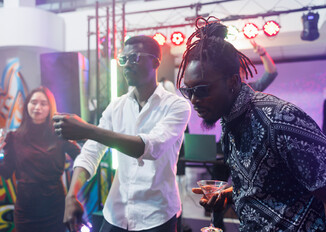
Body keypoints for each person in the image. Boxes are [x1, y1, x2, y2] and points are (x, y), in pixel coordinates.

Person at [176, 17, 326, 231]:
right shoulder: (230, 121)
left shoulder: (280, 119)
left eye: (202, 89)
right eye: (188, 91)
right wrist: (230, 194)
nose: (194, 99)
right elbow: (265, 187)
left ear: (233, 82)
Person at [53, 35, 191, 232]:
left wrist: (87, 130)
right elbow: (92, 151)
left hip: (157, 216)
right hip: (116, 212)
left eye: (134, 57)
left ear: (155, 61)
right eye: (123, 59)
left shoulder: (177, 106)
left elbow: (150, 148)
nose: (126, 65)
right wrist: (71, 195)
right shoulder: (116, 106)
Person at [211, 39, 278, 231]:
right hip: (226, 144)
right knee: (217, 188)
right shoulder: (221, 92)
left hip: (249, 145)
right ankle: (216, 223)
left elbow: (271, 72)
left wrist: (263, 53)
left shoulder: (251, 90)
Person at [0, 86, 80, 232]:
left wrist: (73, 193)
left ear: (50, 108)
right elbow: (6, 172)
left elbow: (82, 158)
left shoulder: (59, 135)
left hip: (54, 207)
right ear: (27, 105)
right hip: (25, 209)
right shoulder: (14, 137)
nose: (37, 107)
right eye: (34, 102)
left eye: (43, 104)